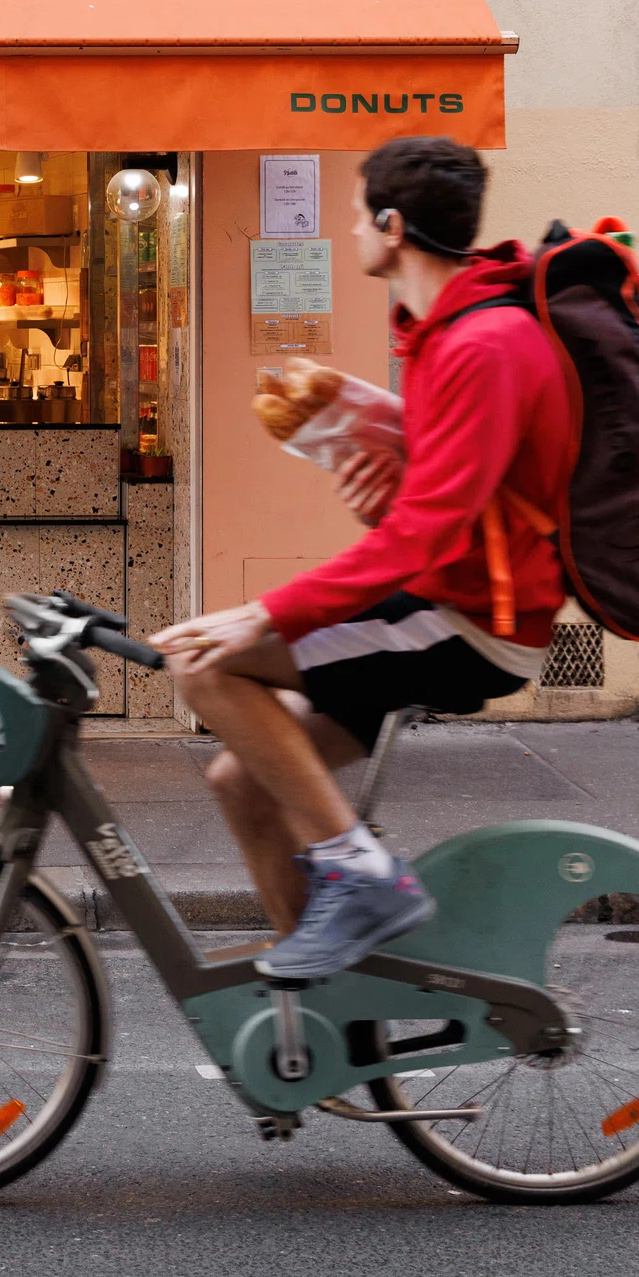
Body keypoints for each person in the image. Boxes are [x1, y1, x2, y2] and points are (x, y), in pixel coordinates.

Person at [151, 136, 570, 980]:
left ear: (392, 223)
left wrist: (263, 612)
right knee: (241, 781)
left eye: (354, 214)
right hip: (441, 600)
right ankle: (318, 1032)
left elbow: (423, 534)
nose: (348, 230)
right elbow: (447, 505)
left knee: (205, 666)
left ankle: (360, 874)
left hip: (475, 626)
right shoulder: (444, 331)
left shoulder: (483, 343)